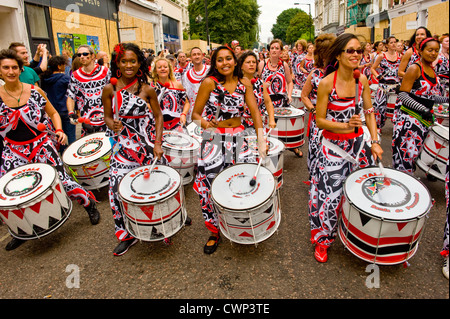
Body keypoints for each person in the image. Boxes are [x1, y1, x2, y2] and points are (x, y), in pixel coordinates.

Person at [0, 49, 100, 251]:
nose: (10, 71)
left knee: (61, 180)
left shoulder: (34, 91)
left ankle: (89, 204)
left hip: (41, 146)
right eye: (5, 68)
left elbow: (53, 113)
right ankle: (21, 229)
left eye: (14, 67)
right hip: (13, 151)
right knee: (9, 194)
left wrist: (59, 130)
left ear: (21, 70)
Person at [309, 33, 382, 263]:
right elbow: (320, 121)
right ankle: (323, 240)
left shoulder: (363, 81)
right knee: (330, 197)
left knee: (363, 193)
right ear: (339, 55)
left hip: (359, 146)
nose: (356, 54)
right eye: (350, 50)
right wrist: (344, 125)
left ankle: (359, 236)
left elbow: (369, 113)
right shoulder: (326, 83)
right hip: (332, 147)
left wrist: (376, 141)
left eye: (359, 50)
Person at [192, 45, 267, 255]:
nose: (225, 63)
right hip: (214, 139)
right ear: (214, 64)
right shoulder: (209, 83)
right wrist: (206, 125)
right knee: (210, 185)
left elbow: (255, 113)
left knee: (243, 180)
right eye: (220, 60)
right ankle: (214, 230)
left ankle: (239, 224)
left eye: (228, 59)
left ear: (235, 61)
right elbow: (195, 115)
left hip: (240, 137)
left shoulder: (245, 83)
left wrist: (261, 140)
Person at [102, 43, 164, 256]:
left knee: (154, 187)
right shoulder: (110, 88)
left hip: (146, 147)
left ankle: (164, 223)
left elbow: (158, 116)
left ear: (140, 64)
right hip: (122, 148)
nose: (128, 65)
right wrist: (111, 124)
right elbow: (107, 116)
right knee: (117, 189)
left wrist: (157, 143)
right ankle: (126, 235)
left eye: (133, 61)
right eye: (124, 61)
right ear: (117, 63)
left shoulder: (147, 89)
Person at [392, 37, 448, 175]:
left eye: (436, 50)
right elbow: (403, 95)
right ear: (420, 51)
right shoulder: (414, 68)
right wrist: (422, 109)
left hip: (423, 121)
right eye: (430, 50)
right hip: (409, 122)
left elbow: (429, 96)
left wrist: (446, 99)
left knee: (414, 157)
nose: (433, 53)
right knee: (405, 159)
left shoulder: (431, 70)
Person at [300, 33, 336, 177]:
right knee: (316, 149)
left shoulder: (341, 73)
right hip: (318, 121)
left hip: (336, 120)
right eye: (326, 52)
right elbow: (304, 95)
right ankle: (315, 179)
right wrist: (313, 110)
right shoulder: (315, 73)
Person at [66, 45, 111, 136]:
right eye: (79, 55)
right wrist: (71, 113)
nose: (82, 57)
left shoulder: (105, 71)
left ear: (92, 56)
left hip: (106, 119)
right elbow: (70, 96)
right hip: (87, 121)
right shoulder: (75, 75)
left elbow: (114, 92)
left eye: (85, 54)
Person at [40, 56, 76, 152]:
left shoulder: (44, 79)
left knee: (59, 135)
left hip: (52, 112)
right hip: (65, 110)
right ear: (59, 66)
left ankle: (63, 152)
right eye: (64, 65)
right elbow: (72, 94)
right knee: (71, 136)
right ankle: (72, 153)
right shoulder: (65, 78)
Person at [238, 50, 276, 130]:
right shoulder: (236, 83)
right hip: (240, 126)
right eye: (248, 62)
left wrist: (271, 119)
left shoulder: (260, 83)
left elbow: (268, 102)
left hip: (258, 124)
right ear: (241, 66)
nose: (251, 64)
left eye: (254, 62)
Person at [150, 57, 190, 131]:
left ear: (169, 69)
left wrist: (183, 114)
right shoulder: (151, 87)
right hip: (158, 125)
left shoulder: (177, 85)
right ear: (155, 70)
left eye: (165, 67)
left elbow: (186, 103)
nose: (163, 69)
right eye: (159, 67)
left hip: (177, 124)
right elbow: (147, 104)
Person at [370, 36, 401, 130]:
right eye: (391, 42)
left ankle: (396, 130)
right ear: (387, 45)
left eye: (395, 42)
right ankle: (377, 131)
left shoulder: (400, 56)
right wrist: (377, 76)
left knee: (396, 110)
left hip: (395, 87)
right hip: (383, 87)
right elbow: (372, 68)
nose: (394, 44)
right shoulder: (382, 56)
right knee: (380, 111)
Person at [258, 39, 293, 108]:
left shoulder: (284, 65)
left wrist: (289, 95)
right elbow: (257, 82)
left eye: (277, 48)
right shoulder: (262, 64)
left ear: (281, 51)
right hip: (266, 102)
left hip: (281, 102)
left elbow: (290, 82)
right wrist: (263, 85)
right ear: (269, 50)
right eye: (272, 48)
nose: (274, 50)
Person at [181, 47, 210, 123]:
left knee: (210, 133)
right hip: (193, 113)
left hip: (209, 112)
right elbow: (185, 96)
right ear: (190, 58)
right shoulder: (186, 75)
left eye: (198, 54)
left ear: (202, 56)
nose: (197, 56)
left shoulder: (210, 71)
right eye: (194, 55)